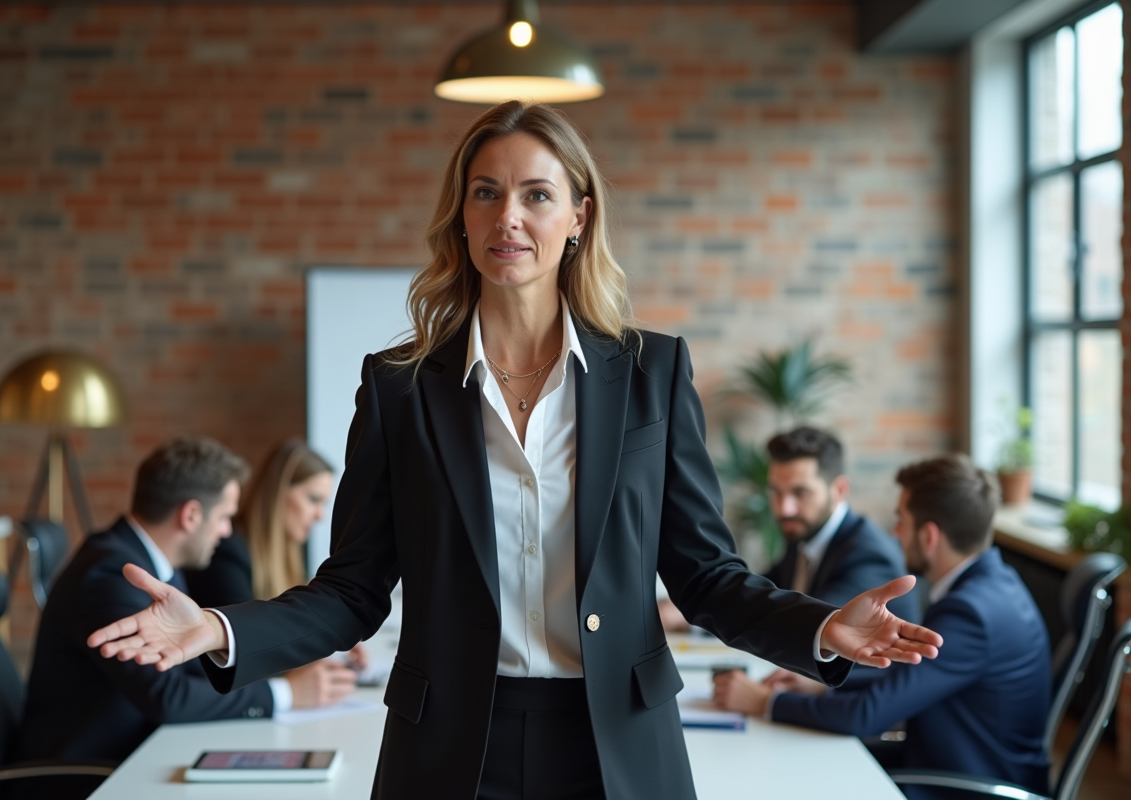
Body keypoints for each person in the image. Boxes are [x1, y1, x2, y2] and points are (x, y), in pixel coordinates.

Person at [89, 101, 942, 800]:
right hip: (452, 748)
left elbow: (704, 574)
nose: (510, 217)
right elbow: (352, 590)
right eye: (486, 193)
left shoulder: (652, 372)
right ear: (460, 218)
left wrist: (821, 628)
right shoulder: (400, 387)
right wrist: (216, 629)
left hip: (620, 742)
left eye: (537, 195)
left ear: (579, 215)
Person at [16, 438, 354, 788]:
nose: (226, 532)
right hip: (86, 777)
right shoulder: (112, 576)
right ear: (191, 514)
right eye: (224, 517)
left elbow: (192, 669)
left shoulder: (153, 563)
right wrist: (285, 696)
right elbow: (169, 696)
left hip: (135, 754)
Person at [712, 454, 1051, 799]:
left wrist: (765, 701)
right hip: (950, 764)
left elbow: (867, 714)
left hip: (968, 787)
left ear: (930, 536)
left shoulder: (969, 614)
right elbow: (920, 680)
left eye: (901, 520)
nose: (895, 533)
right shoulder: (994, 585)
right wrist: (824, 684)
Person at [660, 426, 919, 637]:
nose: (784, 508)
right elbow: (760, 595)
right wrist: (690, 610)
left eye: (800, 493)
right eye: (776, 492)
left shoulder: (868, 555)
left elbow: (808, 624)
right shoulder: (803, 536)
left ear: (839, 490)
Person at [183, 438, 368, 669]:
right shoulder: (227, 551)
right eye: (313, 499)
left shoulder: (291, 549)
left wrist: (328, 642)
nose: (320, 515)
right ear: (278, 492)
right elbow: (250, 643)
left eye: (324, 504)